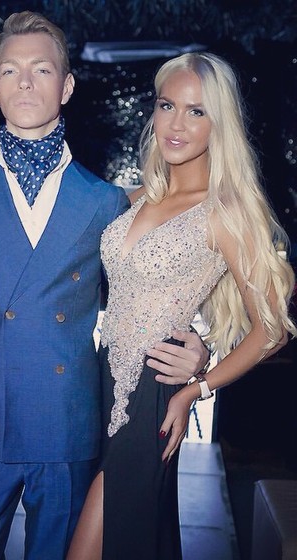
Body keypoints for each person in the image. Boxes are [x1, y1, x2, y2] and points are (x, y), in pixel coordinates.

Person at [0, 12, 210, 560]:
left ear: (66, 86)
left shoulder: (106, 202)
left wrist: (201, 354)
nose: (25, 82)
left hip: (66, 420)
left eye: (41, 70)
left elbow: (161, 278)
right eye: (10, 70)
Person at [66, 51, 297, 560]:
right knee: (134, 536)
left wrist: (197, 387)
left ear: (220, 123)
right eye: (167, 105)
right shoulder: (136, 199)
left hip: (152, 390)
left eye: (196, 111)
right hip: (101, 381)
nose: (175, 124)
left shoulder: (226, 213)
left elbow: (273, 329)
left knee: (98, 543)